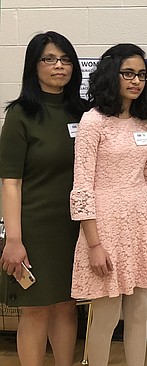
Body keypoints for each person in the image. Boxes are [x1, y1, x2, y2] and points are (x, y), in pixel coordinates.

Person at [69, 43, 147, 366]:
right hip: (105, 226)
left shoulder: (146, 122)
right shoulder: (93, 121)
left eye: (141, 75)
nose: (136, 81)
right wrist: (93, 244)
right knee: (107, 315)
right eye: (129, 73)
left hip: (141, 223)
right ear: (113, 74)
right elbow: (82, 187)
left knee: (139, 313)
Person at [0, 31, 88, 366]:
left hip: (75, 229)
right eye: (49, 59)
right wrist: (14, 240)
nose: (59, 66)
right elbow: (11, 183)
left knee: (67, 306)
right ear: (33, 65)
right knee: (35, 310)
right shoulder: (21, 115)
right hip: (34, 231)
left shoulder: (84, 113)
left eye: (65, 59)